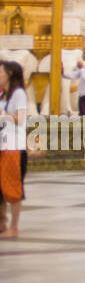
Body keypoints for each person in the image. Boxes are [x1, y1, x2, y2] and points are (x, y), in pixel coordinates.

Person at [0, 62, 28, 238]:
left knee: (12, 188)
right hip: (3, 144)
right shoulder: (3, 94)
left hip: (13, 147)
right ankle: (2, 222)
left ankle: (14, 227)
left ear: (9, 73)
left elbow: (21, 118)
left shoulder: (18, 94)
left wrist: (5, 116)